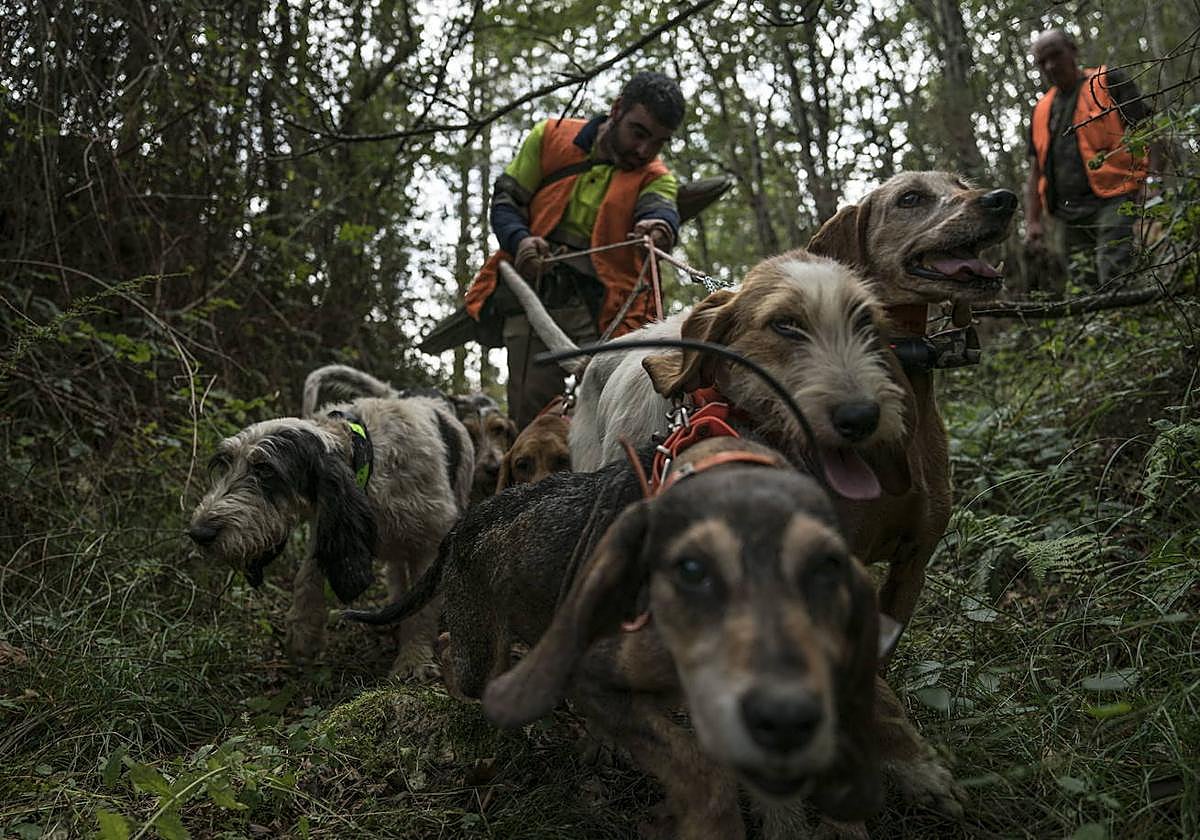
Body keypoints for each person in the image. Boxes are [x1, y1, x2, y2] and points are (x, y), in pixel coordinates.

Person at [465, 71, 684, 429]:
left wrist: (659, 227)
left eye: (658, 143)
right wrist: (520, 240)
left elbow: (661, 209)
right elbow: (506, 200)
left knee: (613, 407)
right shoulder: (551, 137)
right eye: (639, 133)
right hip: (534, 296)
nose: (644, 151)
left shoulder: (656, 177)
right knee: (530, 412)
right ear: (616, 110)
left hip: (606, 309)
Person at [1024, 29, 1160, 289]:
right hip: (1068, 213)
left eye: (1056, 55)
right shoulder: (1041, 110)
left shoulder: (1108, 81)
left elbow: (1149, 131)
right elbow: (1035, 171)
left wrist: (1152, 182)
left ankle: (1129, 319)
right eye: (1043, 62)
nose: (1051, 65)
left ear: (1072, 51)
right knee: (1082, 283)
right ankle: (1101, 328)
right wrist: (1033, 221)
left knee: (1114, 270)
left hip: (1115, 196)